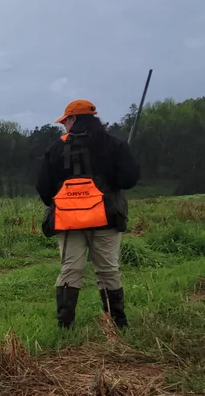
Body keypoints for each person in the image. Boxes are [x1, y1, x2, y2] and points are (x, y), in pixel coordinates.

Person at [36, 100, 140, 329]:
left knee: (70, 269)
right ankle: (118, 323)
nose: (64, 125)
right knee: (108, 270)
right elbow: (129, 180)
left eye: (65, 121)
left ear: (73, 120)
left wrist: (66, 203)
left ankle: (65, 326)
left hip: (67, 222)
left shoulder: (55, 149)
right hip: (106, 219)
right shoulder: (115, 145)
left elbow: (44, 189)